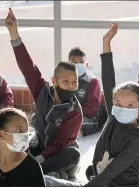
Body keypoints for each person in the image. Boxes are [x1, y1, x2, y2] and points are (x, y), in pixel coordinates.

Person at [5, 8, 82, 180]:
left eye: (74, 82)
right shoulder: (42, 90)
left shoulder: (74, 110)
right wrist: (14, 34)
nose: (71, 86)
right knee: (15, 145)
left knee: (73, 154)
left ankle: (39, 170)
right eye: (65, 81)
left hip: (59, 155)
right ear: (54, 81)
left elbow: (59, 143)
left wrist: (38, 160)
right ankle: (46, 173)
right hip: (39, 147)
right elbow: (27, 68)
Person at [84, 22, 139, 187]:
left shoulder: (137, 139)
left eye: (130, 106)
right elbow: (108, 80)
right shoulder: (114, 116)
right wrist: (106, 43)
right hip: (100, 179)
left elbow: (109, 175)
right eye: (118, 104)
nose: (122, 109)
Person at [68, 47, 102, 136]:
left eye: (81, 62)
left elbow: (92, 109)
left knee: (67, 123)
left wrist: (70, 112)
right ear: (69, 65)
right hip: (68, 115)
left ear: (86, 65)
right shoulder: (64, 80)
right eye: (74, 62)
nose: (77, 65)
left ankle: (74, 136)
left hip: (89, 120)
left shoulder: (92, 81)